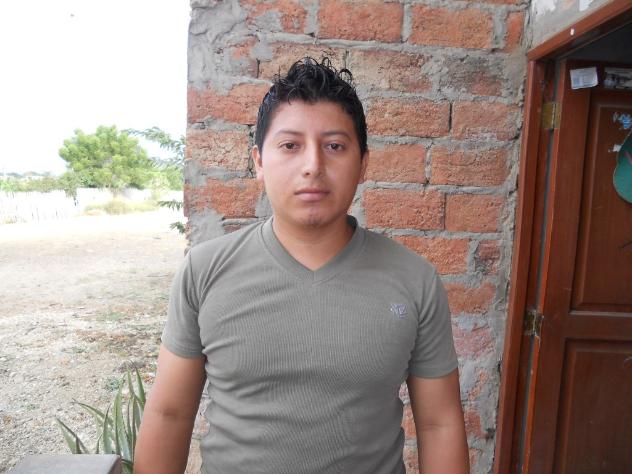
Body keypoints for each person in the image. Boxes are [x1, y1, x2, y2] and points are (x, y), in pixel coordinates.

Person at [134, 57, 469, 474]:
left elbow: (439, 424)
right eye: (290, 146)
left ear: (363, 164)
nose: (313, 166)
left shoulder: (414, 280)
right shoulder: (205, 271)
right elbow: (169, 414)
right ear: (259, 162)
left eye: (334, 146)